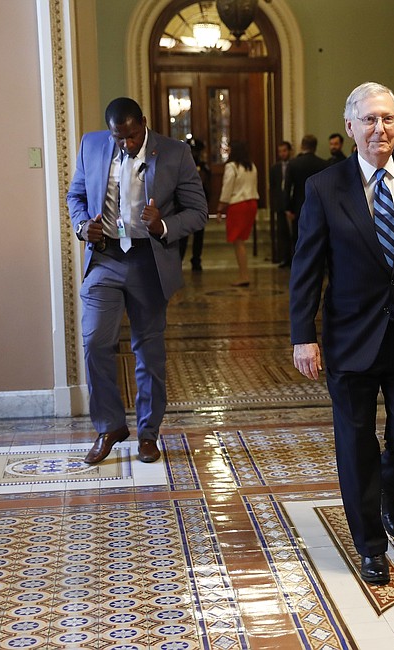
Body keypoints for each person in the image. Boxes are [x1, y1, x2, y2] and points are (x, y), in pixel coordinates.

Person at [289, 81, 394, 586]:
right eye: (369, 120)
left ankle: (389, 486)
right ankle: (370, 546)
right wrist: (303, 333)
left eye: (387, 119)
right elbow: (306, 265)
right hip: (350, 337)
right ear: (350, 128)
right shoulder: (324, 187)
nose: (379, 128)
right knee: (354, 443)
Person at [67, 97, 208, 465]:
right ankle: (109, 426)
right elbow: (76, 195)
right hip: (105, 258)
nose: (126, 144)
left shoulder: (175, 153)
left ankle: (148, 434)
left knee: (148, 352)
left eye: (131, 136)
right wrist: (84, 226)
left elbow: (198, 212)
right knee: (96, 341)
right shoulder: (91, 144)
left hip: (149, 261)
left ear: (143, 124)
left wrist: (163, 225)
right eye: (119, 138)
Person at [216, 141, 259, 287]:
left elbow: (227, 187)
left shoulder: (231, 166)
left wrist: (221, 207)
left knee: (238, 241)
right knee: (241, 240)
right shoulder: (251, 166)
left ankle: (244, 275)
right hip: (251, 203)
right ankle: (243, 274)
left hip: (238, 204)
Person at [284, 134, 328, 255]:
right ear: (315, 147)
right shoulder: (323, 164)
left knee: (298, 238)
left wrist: (288, 208)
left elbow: (288, 187)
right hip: (318, 206)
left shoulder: (293, 164)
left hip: (298, 206)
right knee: (317, 239)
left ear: (302, 146)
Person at [178, 136, 211, 271]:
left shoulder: (203, 167)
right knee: (182, 237)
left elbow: (206, 185)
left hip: (198, 205)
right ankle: (178, 261)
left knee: (198, 235)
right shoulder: (181, 166)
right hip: (183, 206)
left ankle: (196, 259)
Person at [270, 141, 293, 266]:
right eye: (280, 151)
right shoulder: (275, 168)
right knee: (282, 232)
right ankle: (284, 257)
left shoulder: (294, 165)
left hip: (292, 203)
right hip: (280, 204)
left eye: (284, 151)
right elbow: (273, 187)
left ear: (289, 151)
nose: (282, 154)